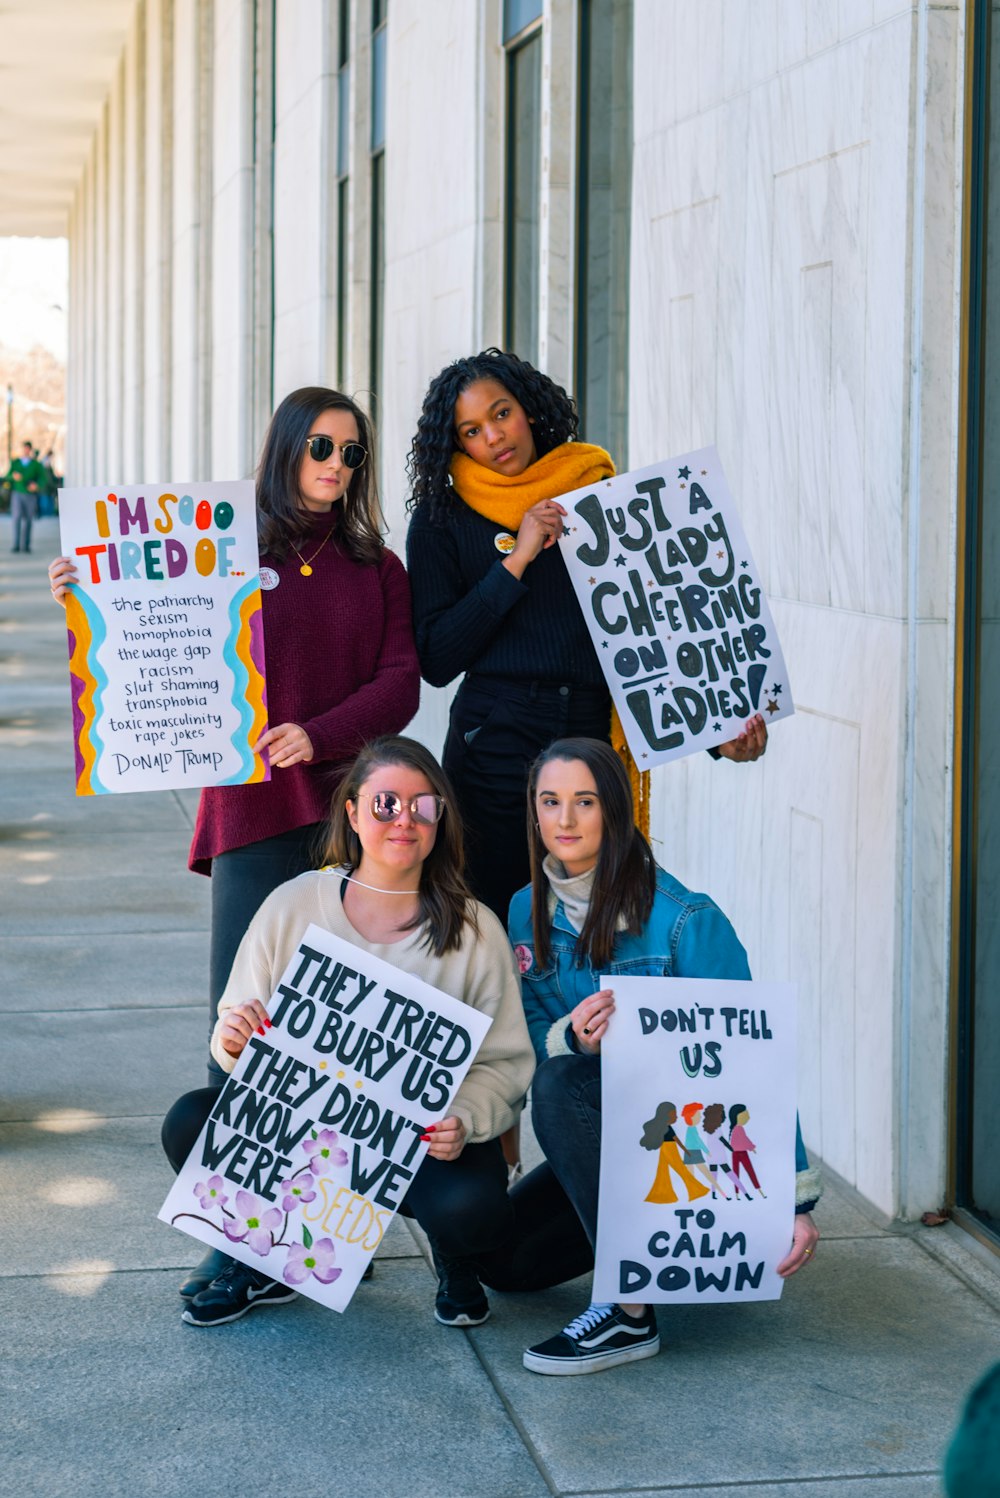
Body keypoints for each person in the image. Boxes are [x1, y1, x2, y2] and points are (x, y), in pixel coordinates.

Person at [48, 386, 421, 1292]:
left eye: (353, 455)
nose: (338, 466)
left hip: (349, 825)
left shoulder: (377, 566)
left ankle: (324, 1232)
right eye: (322, 448)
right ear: (287, 447)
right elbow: (139, 647)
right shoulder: (219, 547)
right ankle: (238, 1246)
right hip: (255, 816)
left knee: (337, 1037)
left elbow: (402, 682)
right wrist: (88, 598)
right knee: (243, 1027)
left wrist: (322, 733)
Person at [161, 736, 535, 1328]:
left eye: (423, 805)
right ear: (354, 812)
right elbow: (239, 1021)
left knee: (474, 1213)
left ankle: (452, 1251)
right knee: (190, 1120)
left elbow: (506, 1063)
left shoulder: (474, 928)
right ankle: (266, 1260)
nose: (404, 819)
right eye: (386, 803)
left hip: (416, 1147)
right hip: (303, 1141)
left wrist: (464, 1118)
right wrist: (235, 1039)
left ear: (442, 817)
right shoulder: (293, 905)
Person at [405, 347, 767, 927]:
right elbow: (438, 657)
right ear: (456, 443)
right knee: (492, 926)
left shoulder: (598, 494)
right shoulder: (442, 518)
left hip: (592, 735)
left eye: (502, 414)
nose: (494, 437)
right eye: (472, 430)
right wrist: (515, 561)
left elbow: (653, 631)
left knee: (593, 926)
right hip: (494, 745)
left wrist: (721, 736)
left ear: (527, 408)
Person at [494, 736, 821, 1375]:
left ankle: (628, 1307)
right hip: (607, 1146)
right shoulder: (523, 910)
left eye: (584, 802)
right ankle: (647, 1253)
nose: (564, 821)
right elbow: (537, 1031)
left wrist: (794, 1202)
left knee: (561, 1085)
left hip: (683, 1151)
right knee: (504, 1263)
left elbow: (754, 1061)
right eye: (550, 802)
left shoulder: (685, 922)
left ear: (616, 811)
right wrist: (571, 1036)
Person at [6, 439, 44, 552]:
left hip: (30, 495)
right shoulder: (15, 462)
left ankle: (26, 545)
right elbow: (8, 475)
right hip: (17, 493)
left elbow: (43, 478)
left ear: (30, 450)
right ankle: (16, 544)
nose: (26, 450)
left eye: (28, 448)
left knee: (28, 520)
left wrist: (36, 485)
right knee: (16, 518)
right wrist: (13, 476)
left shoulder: (36, 464)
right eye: (24, 448)